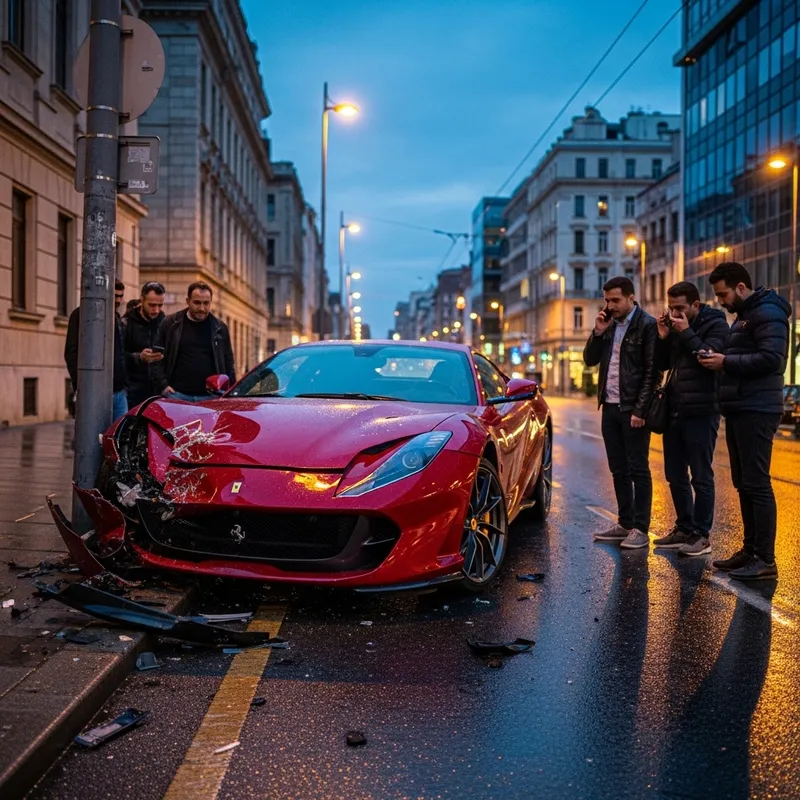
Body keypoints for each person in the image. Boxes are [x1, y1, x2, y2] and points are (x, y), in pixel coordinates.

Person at [699, 262, 790, 581]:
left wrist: (725, 362)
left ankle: (765, 558)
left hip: (758, 408)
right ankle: (750, 550)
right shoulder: (746, 316)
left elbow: (771, 359)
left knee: (756, 483)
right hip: (741, 407)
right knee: (743, 483)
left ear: (740, 287)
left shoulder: (767, 312)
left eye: (723, 293)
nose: (720, 300)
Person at [652, 281, 729, 556]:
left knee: (701, 475)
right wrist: (663, 337)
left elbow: (707, 357)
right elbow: (663, 365)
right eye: (671, 307)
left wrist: (685, 332)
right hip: (675, 409)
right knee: (674, 474)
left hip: (702, 410)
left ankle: (701, 535)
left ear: (696, 305)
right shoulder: (674, 326)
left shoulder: (716, 323)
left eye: (680, 308)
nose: (675, 313)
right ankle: (683, 527)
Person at [583, 276, 660, 549]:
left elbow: (653, 372)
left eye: (615, 300)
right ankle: (625, 522)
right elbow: (590, 360)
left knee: (638, 468)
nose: (610, 306)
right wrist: (597, 331)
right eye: (607, 300)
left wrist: (641, 409)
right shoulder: (609, 324)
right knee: (618, 469)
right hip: (610, 406)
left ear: (631, 298)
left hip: (633, 409)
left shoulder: (647, 325)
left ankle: (640, 527)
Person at [152, 281, 235, 402]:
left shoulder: (220, 328)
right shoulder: (170, 323)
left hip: (211, 398)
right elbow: (155, 358)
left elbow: (229, 363)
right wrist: (163, 386)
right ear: (188, 301)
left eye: (206, 303)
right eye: (197, 303)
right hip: (177, 395)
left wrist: (229, 392)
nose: (202, 308)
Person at [64, 280, 128, 421]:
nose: (118, 300)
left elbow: (120, 352)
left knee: (120, 436)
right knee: (93, 436)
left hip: (118, 390)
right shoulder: (81, 314)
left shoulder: (116, 318)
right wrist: (81, 384)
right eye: (115, 296)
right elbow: (71, 352)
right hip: (94, 390)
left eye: (120, 296)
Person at [124, 281, 166, 408]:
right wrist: (139, 357)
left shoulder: (164, 322)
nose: (156, 310)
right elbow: (117, 356)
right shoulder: (126, 323)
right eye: (152, 305)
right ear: (142, 300)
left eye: (160, 305)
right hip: (132, 391)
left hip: (157, 391)